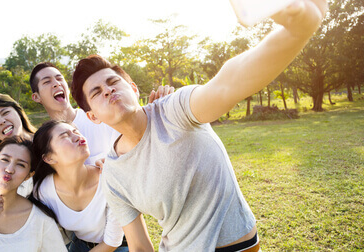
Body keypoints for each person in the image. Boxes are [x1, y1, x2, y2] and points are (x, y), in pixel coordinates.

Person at [70, 1, 327, 251]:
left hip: (235, 245)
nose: (108, 90)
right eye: (96, 92)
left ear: (133, 88)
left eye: (113, 82)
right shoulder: (114, 175)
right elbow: (138, 245)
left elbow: (226, 85)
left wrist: (296, 31)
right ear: (92, 116)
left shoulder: (174, 108)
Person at [29, 63, 173, 166]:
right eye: (47, 82)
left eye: (59, 78)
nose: (56, 84)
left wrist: (156, 113)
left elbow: (140, 135)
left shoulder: (103, 114)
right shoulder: (48, 142)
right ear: (36, 97)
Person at [31, 120, 127, 252]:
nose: (77, 137)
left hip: (119, 246)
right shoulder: (42, 191)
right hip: (79, 245)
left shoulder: (108, 179)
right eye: (65, 136)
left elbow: (112, 242)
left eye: (76, 132)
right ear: (49, 158)